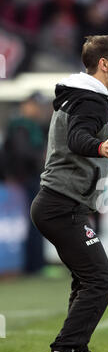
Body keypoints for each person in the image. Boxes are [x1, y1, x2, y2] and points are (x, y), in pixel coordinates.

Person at [31, 35, 108, 352]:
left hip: (61, 204)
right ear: (103, 64)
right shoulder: (91, 99)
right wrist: (100, 148)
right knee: (101, 280)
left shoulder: (83, 94)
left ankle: (74, 350)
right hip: (61, 206)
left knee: (86, 280)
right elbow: (77, 139)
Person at [2, 92, 47, 274]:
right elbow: (21, 152)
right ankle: (34, 265)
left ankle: (34, 264)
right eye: (36, 105)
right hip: (24, 180)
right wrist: (41, 158)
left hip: (25, 179)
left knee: (33, 222)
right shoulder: (21, 126)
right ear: (27, 105)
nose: (39, 109)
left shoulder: (33, 126)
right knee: (33, 222)